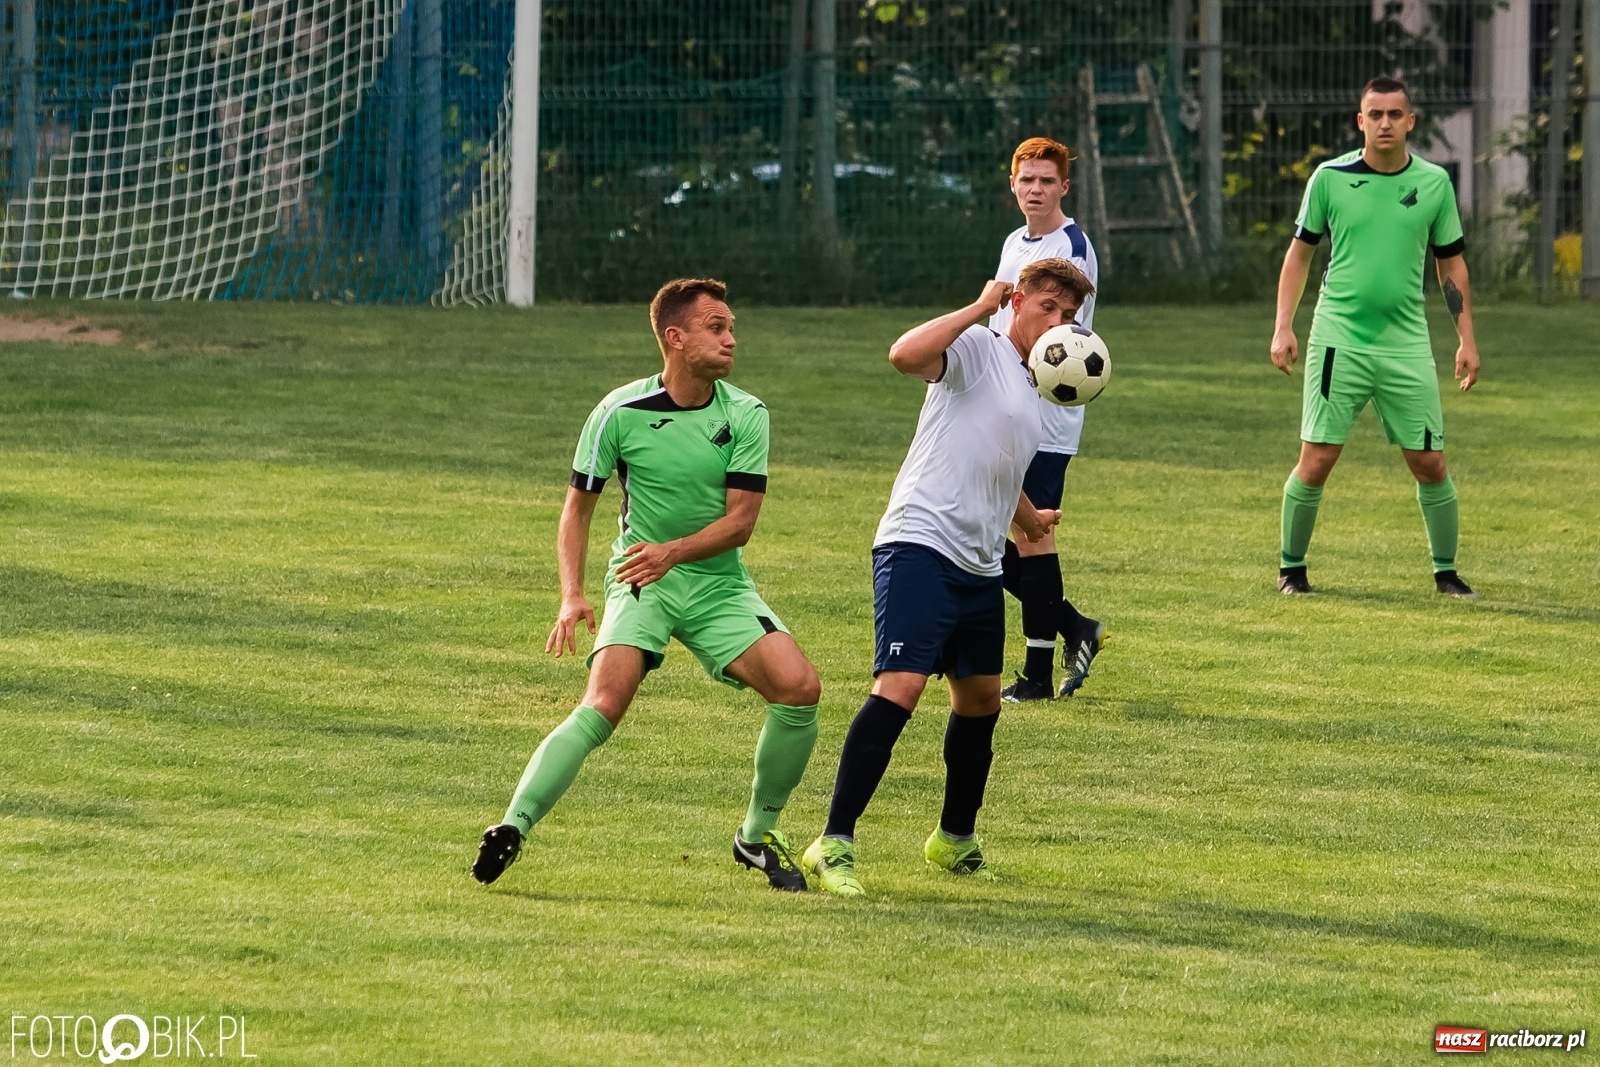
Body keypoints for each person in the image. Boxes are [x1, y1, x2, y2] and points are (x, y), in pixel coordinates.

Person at [471, 278, 822, 891]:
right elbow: (576, 509)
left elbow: (741, 523)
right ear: (675, 337)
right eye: (716, 327)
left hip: (716, 585)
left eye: (731, 327)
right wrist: (572, 594)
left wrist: (674, 552)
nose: (731, 339)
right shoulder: (617, 413)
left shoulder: (746, 413)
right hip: (641, 582)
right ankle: (512, 827)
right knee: (603, 705)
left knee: (799, 689)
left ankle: (755, 837)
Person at [802, 259, 1096, 896]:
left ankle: (954, 839)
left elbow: (998, 461)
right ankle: (833, 842)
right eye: (1047, 308)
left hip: (980, 563)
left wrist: (1028, 518)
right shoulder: (978, 346)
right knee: (900, 687)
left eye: (1069, 316)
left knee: (981, 701)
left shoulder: (1035, 383)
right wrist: (977, 303)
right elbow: (904, 354)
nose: (1058, 324)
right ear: (1016, 301)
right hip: (918, 543)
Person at [1270, 76, 1481, 598]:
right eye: (1375, 114)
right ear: (1360, 121)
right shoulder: (1330, 178)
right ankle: (1291, 569)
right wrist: (1283, 326)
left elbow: (1450, 265)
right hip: (1339, 339)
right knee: (1317, 458)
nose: (1385, 123)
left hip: (1407, 343)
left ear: (1411, 122)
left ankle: (1446, 574)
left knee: (1430, 461)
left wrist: (1466, 339)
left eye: (1395, 114)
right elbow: (1299, 255)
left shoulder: (1434, 183)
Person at [990, 137, 1107, 702]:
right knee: (994, 536)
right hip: (1003, 404)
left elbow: (1062, 342)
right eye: (1026, 180)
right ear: (1012, 183)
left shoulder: (1070, 246)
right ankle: (1074, 627)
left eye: (1046, 181)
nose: (1035, 189)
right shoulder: (1016, 241)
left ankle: (1036, 677)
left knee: (1030, 535)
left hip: (1044, 414)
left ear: (1064, 186)